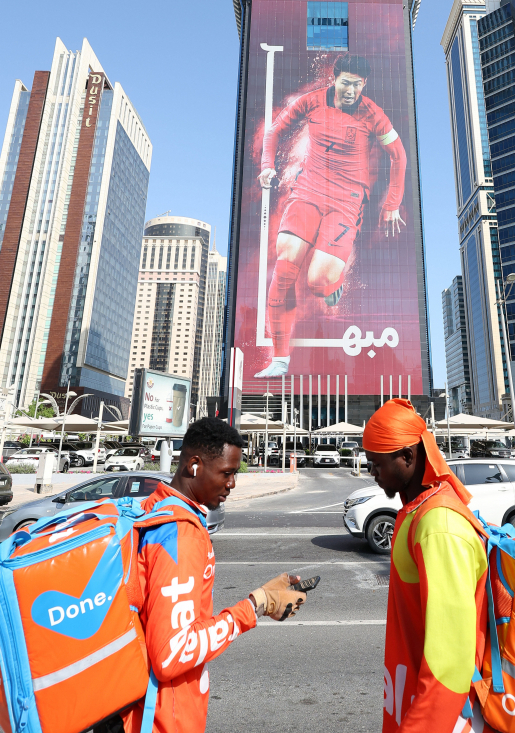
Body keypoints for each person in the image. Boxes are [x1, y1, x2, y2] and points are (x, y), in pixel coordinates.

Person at [97, 417, 306, 733]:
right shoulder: (181, 535)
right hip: (162, 719)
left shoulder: (156, 509)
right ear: (194, 465)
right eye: (226, 473)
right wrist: (256, 605)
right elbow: (173, 653)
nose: (232, 484)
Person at [255, 54, 407, 378]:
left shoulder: (372, 115)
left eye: (358, 84)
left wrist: (392, 202)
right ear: (334, 79)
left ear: (363, 85)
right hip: (307, 192)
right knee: (284, 269)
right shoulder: (311, 102)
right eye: (346, 82)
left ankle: (331, 284)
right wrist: (268, 164)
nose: (351, 90)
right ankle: (280, 358)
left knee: (317, 282)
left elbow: (399, 155)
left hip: (347, 202)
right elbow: (275, 130)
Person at [363, 399, 490, 733]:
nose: (372, 473)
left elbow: (449, 664)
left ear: (407, 457)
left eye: (376, 464)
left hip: (443, 718)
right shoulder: (418, 510)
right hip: (410, 696)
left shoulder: (439, 526)